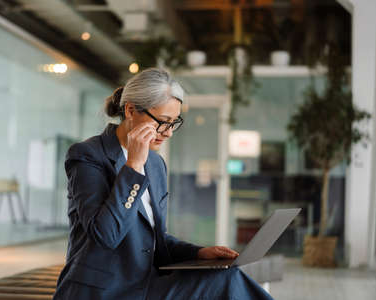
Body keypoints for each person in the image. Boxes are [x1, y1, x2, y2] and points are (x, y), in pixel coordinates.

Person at [53, 68, 274, 300]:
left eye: (174, 123)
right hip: (102, 292)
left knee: (227, 276)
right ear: (130, 110)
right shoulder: (88, 156)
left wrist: (199, 253)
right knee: (226, 283)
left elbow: (156, 240)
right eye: (162, 122)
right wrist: (133, 166)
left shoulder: (156, 164)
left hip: (145, 285)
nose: (168, 133)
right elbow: (106, 235)